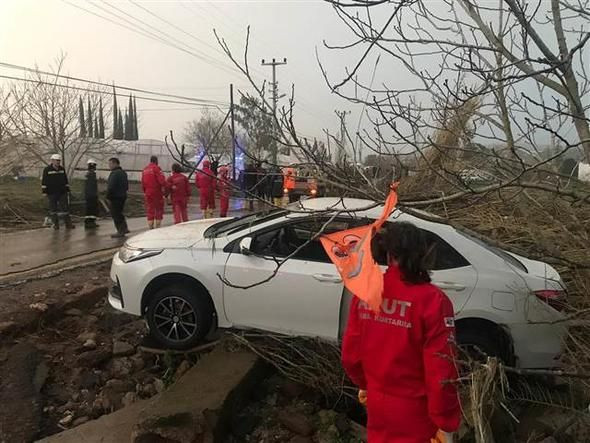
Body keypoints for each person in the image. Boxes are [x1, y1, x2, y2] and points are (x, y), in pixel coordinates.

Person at [341, 222, 461, 443]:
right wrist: (446, 423)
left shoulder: (366, 294)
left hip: (377, 405)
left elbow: (351, 355)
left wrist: (366, 385)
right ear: (421, 253)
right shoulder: (433, 301)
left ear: (388, 255)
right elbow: (442, 371)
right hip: (417, 414)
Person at [41, 153, 74, 230]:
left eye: (59, 161)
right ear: (52, 161)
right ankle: (56, 224)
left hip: (62, 192)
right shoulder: (47, 170)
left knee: (65, 209)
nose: (58, 162)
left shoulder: (62, 169)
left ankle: (68, 224)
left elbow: (65, 181)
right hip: (52, 193)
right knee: (53, 209)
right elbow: (44, 182)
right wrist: (44, 192)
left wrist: (68, 190)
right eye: (56, 161)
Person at [141, 156, 167, 229]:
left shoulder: (145, 169)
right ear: (156, 161)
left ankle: (150, 228)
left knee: (150, 210)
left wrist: (145, 191)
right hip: (156, 192)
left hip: (148, 192)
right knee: (158, 209)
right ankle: (157, 227)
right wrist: (167, 187)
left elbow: (142, 183)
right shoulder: (157, 168)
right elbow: (162, 181)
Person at [106, 157, 129, 238]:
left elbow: (111, 187)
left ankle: (120, 231)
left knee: (116, 214)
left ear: (115, 163)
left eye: (110, 164)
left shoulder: (114, 174)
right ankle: (124, 228)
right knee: (120, 213)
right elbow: (126, 186)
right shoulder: (123, 173)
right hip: (122, 196)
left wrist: (108, 197)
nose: (109, 166)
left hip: (115, 197)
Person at [84, 159, 99, 229]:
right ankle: (89, 222)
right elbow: (91, 186)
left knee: (91, 208)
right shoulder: (91, 174)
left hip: (90, 194)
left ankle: (90, 222)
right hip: (91, 195)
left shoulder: (89, 174)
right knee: (91, 208)